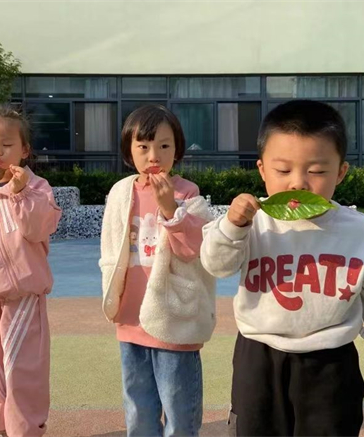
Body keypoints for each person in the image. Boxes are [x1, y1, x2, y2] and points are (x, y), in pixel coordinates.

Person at [200, 99, 364, 436]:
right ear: (262, 170)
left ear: (341, 172)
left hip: (331, 361)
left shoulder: (356, 230)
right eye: (283, 171)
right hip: (259, 355)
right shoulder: (252, 222)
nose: (298, 183)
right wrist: (232, 227)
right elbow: (216, 265)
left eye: (317, 171)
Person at [99, 104, 216, 436]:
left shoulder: (186, 193)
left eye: (164, 145)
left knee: (179, 406)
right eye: (143, 146)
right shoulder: (121, 192)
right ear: (129, 150)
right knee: (138, 406)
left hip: (172, 317)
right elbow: (110, 247)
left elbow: (194, 250)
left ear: (177, 149)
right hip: (130, 316)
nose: (154, 156)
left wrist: (170, 209)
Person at [0, 105, 61, 437]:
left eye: (6, 144)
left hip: (23, 294)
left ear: (24, 150)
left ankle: (24, 429)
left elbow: (38, 229)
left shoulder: (37, 188)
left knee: (23, 366)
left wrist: (20, 194)